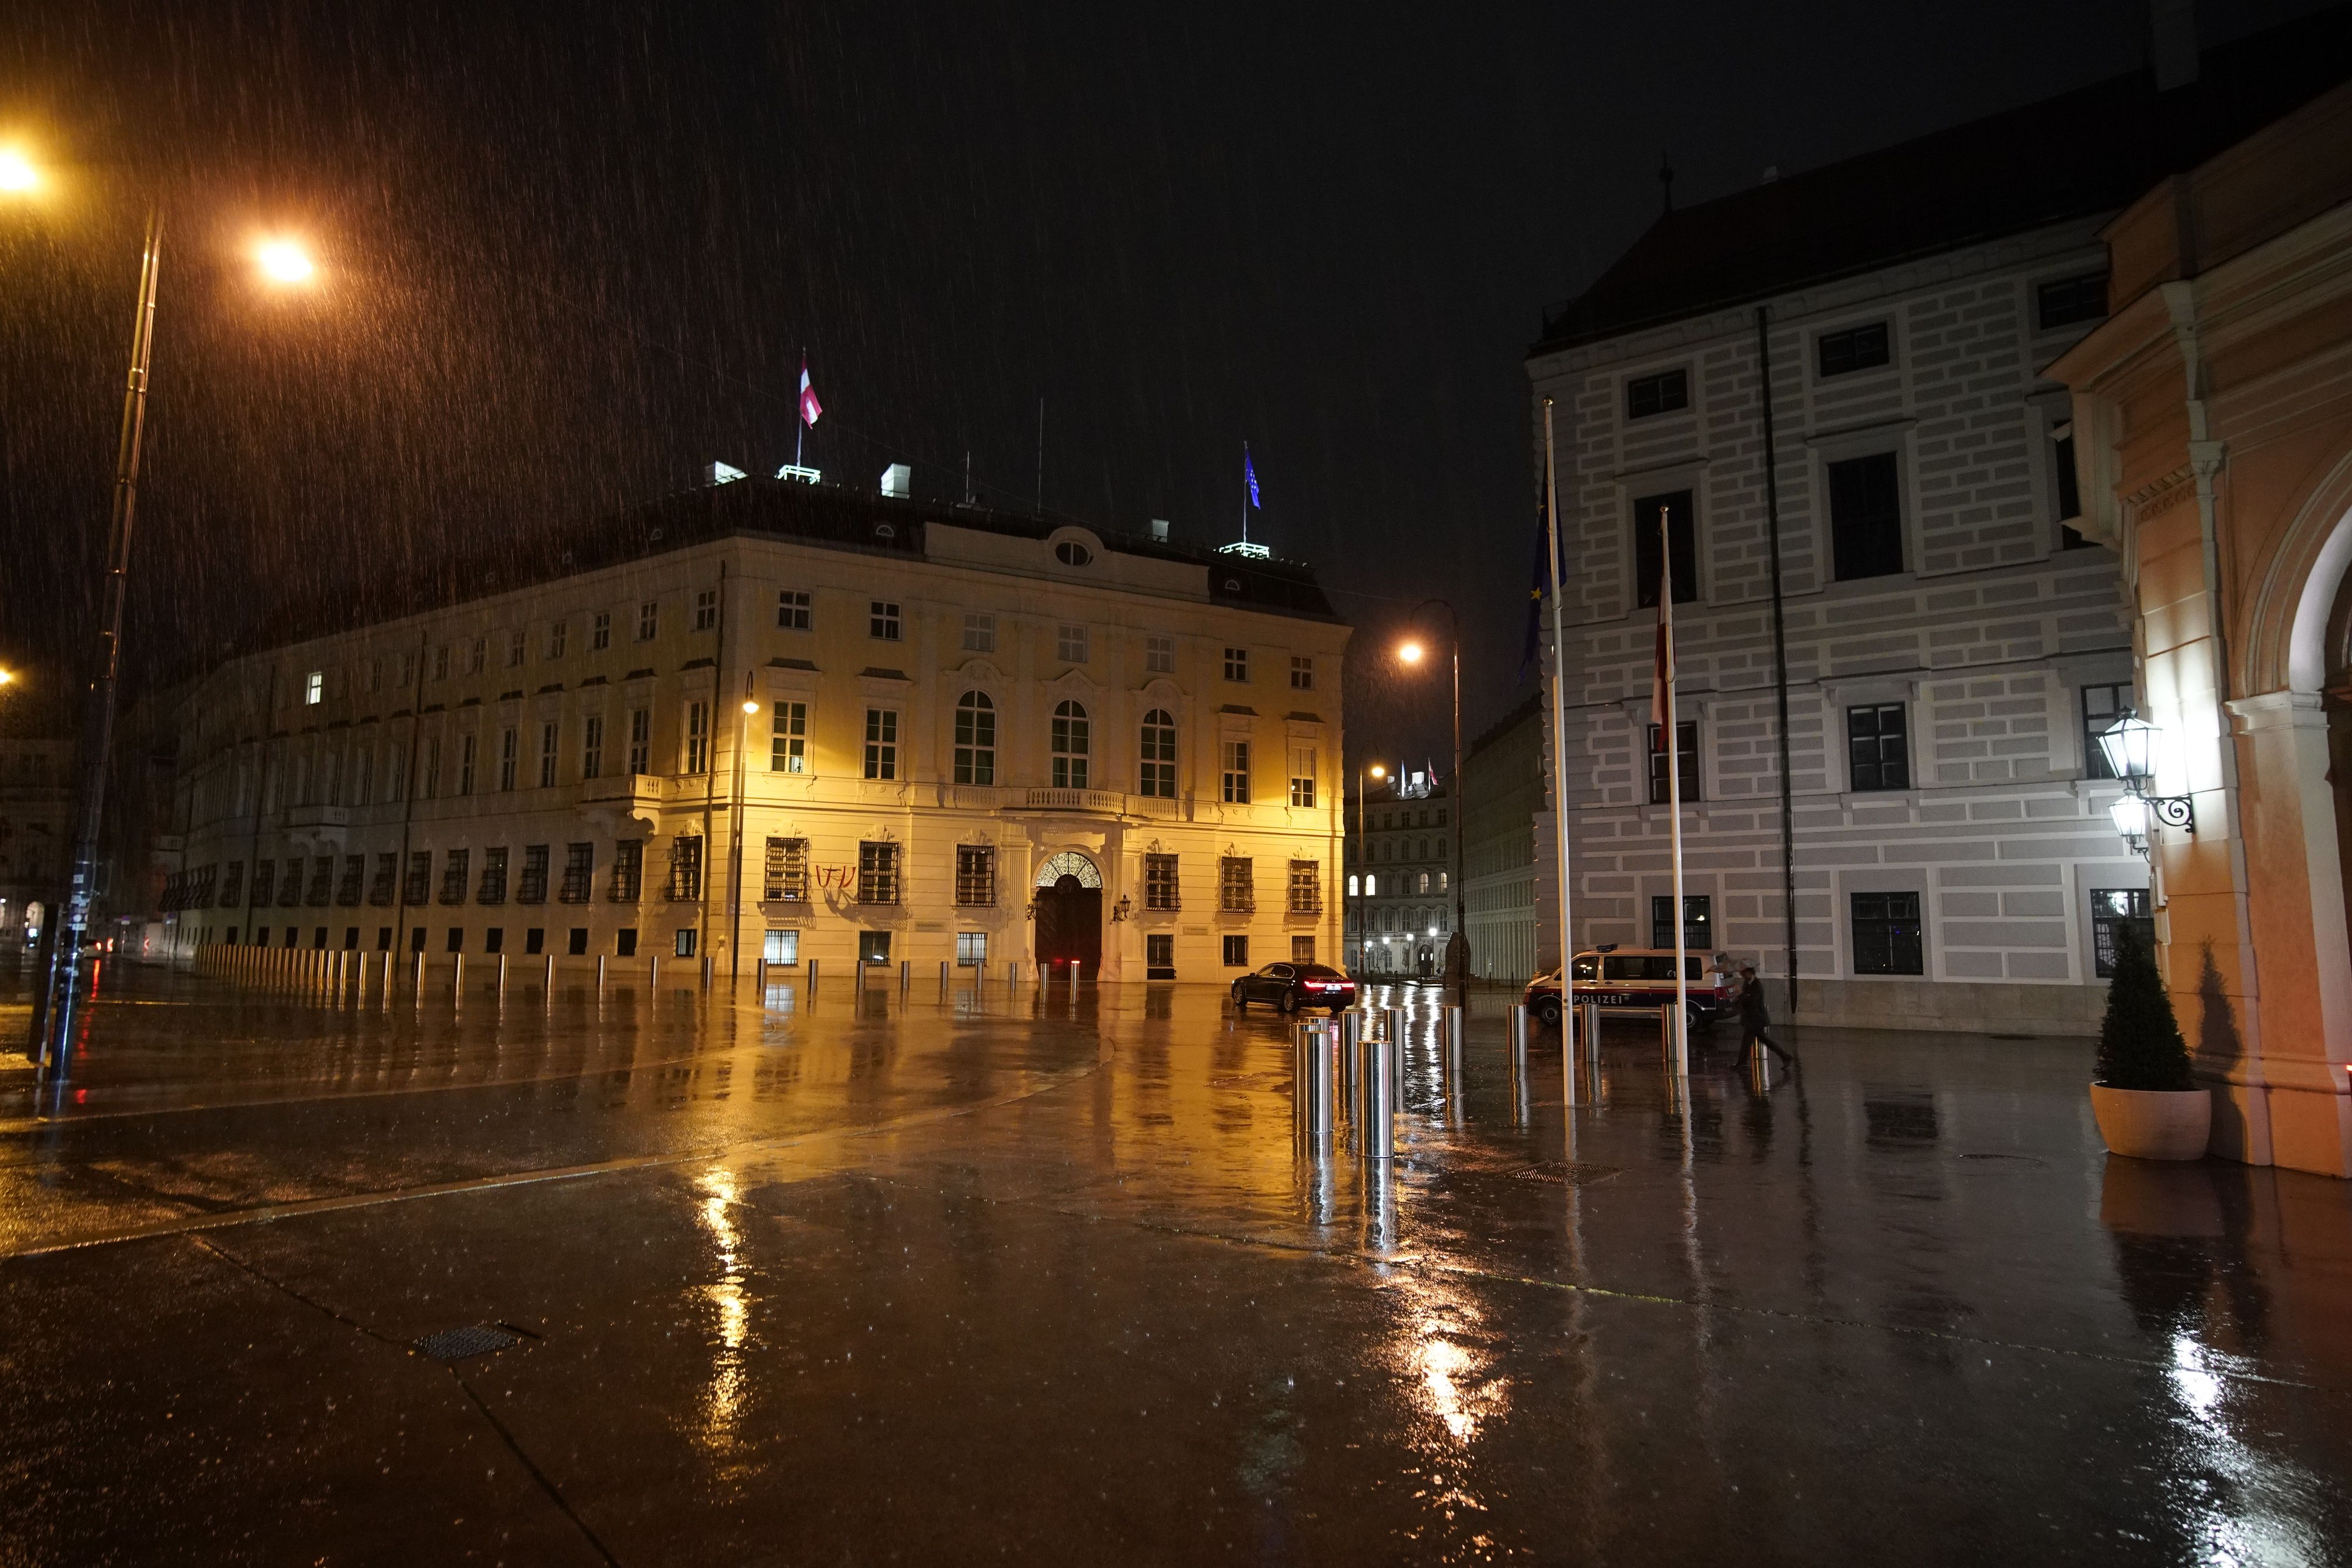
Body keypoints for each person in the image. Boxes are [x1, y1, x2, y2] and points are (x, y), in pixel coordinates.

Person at [1733, 964, 1796, 1072]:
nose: (1741, 975)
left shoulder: (1757, 985)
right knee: (1764, 1041)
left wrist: (1741, 994)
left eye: (1743, 973)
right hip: (1752, 1020)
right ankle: (1786, 1057)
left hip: (1756, 1020)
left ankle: (1741, 1063)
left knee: (1747, 1042)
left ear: (1749, 973)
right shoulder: (1748, 983)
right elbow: (1745, 999)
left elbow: (1753, 1001)